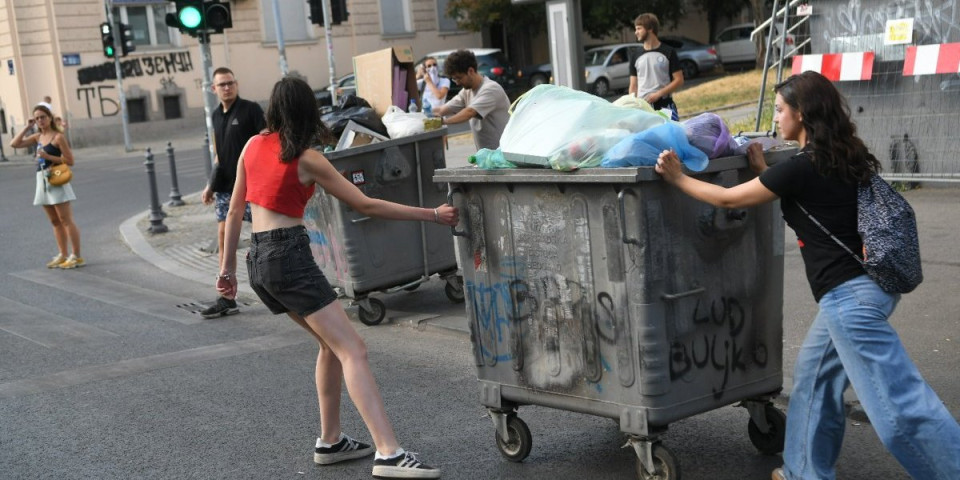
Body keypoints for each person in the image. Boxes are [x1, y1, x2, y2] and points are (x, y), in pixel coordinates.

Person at [654, 71, 960, 480]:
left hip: (849, 301)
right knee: (815, 379)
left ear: (802, 114)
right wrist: (762, 168)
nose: (776, 118)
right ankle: (804, 472)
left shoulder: (801, 167)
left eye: (781, 110)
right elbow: (797, 193)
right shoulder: (843, 154)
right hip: (870, 288)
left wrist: (678, 178)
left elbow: (727, 199)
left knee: (898, 407)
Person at [216, 76, 457, 479]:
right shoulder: (307, 157)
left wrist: (225, 272)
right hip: (289, 255)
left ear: (274, 108)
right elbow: (366, 204)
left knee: (330, 346)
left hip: (258, 262)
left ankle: (331, 441)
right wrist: (431, 214)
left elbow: (233, 211)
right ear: (308, 111)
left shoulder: (251, 146)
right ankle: (389, 453)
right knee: (354, 349)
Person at [200, 67, 266, 319]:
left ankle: (276, 283)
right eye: (222, 84)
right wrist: (210, 185)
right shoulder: (216, 116)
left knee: (263, 233)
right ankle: (226, 296)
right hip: (227, 186)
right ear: (213, 89)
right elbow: (219, 153)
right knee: (222, 235)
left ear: (236, 84)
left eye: (230, 83)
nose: (227, 87)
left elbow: (264, 139)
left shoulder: (250, 110)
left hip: (252, 184)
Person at [10, 104, 83, 269]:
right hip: (42, 179)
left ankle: (77, 256)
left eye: (42, 117)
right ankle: (63, 254)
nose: (40, 121)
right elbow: (14, 144)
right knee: (55, 221)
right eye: (36, 118)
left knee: (66, 220)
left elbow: (70, 161)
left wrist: (48, 156)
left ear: (50, 117)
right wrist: (27, 127)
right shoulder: (37, 137)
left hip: (56, 178)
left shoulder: (58, 137)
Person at [433, 49, 510, 151]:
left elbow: (469, 112)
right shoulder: (467, 91)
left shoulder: (491, 89)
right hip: (487, 156)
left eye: (459, 78)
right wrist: (426, 115)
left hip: (503, 154)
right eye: (454, 79)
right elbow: (444, 109)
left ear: (470, 71)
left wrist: (444, 121)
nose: (457, 83)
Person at [628, 13, 683, 121]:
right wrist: (633, 104)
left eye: (639, 28)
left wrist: (658, 94)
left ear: (650, 29)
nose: (636, 32)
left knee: (670, 136)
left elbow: (679, 80)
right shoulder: (635, 55)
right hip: (643, 108)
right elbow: (633, 86)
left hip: (665, 105)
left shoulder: (669, 52)